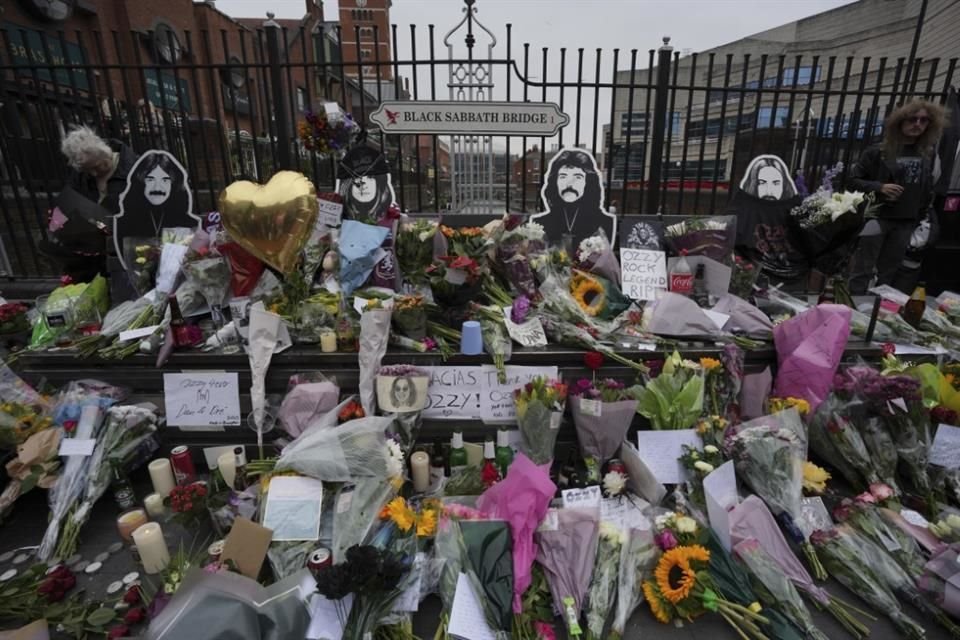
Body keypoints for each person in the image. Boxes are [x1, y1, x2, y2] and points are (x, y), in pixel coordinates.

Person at [847, 99, 945, 294]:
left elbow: (930, 187)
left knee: (890, 272)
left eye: (924, 120)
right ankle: (852, 305)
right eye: (912, 119)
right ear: (900, 121)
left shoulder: (928, 154)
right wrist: (879, 187)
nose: (917, 124)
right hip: (877, 218)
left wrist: (921, 215)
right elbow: (852, 180)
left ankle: (879, 307)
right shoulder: (878, 151)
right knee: (862, 269)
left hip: (906, 221)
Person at [40, 125, 137, 281]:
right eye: (87, 170)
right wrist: (59, 224)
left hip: (125, 248)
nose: (93, 173)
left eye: (97, 167)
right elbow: (67, 203)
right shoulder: (80, 174)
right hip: (92, 252)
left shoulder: (134, 168)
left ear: (105, 153)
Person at [115, 150, 194, 265]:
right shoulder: (126, 221)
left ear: (173, 184)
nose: (158, 187)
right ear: (140, 183)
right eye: (150, 180)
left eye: (165, 180)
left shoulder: (186, 221)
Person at [530, 148, 615, 250]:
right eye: (563, 176)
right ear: (554, 181)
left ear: (589, 182)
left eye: (577, 177)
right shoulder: (539, 223)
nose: (569, 184)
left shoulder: (605, 222)